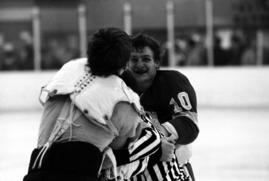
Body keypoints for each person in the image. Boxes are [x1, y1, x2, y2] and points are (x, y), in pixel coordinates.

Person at [23, 28, 169, 181]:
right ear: (125, 65)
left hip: (36, 172)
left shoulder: (68, 69)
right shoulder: (126, 102)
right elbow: (118, 151)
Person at [121, 33, 199, 181]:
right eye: (134, 59)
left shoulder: (173, 82)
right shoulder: (118, 86)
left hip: (174, 170)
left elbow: (189, 124)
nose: (139, 64)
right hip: (132, 172)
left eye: (146, 59)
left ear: (156, 62)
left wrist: (156, 138)